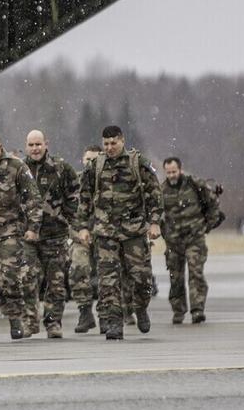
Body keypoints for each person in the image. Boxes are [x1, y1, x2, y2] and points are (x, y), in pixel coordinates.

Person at [78, 126, 161, 340]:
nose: (110, 147)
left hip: (134, 231)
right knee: (108, 280)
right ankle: (115, 322)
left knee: (141, 278)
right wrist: (84, 226)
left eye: (113, 143)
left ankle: (140, 307)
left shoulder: (137, 162)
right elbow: (85, 197)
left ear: (122, 141)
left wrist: (154, 222)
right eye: (106, 144)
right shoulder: (96, 166)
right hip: (106, 232)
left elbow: (154, 192)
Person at [0, 131, 44, 342]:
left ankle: (15, 318)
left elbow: (33, 198)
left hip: (10, 231)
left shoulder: (16, 166)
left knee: (9, 277)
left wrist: (33, 227)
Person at [24, 130, 80, 339]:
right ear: (26, 146)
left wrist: (66, 217)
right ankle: (29, 321)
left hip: (55, 234)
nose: (35, 149)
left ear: (46, 144)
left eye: (38, 144)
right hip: (28, 235)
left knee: (55, 282)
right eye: (31, 145)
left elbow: (75, 193)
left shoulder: (61, 168)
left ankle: (53, 322)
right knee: (27, 278)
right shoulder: (20, 169)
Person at [160, 156, 222, 324]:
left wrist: (207, 225)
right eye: (168, 172)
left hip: (194, 238)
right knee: (175, 277)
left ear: (180, 170)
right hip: (174, 242)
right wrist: (164, 232)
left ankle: (197, 309)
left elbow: (213, 203)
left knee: (196, 273)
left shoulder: (195, 184)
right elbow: (156, 214)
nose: (171, 175)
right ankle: (178, 311)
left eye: (174, 172)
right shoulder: (162, 191)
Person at [70, 144, 103, 333]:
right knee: (78, 269)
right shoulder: (74, 182)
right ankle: (85, 312)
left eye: (94, 159)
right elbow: (68, 211)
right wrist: (77, 234)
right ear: (82, 160)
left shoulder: (108, 180)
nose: (90, 163)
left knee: (108, 276)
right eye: (88, 159)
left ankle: (107, 315)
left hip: (105, 235)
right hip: (80, 236)